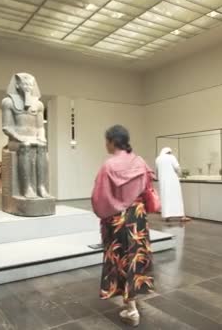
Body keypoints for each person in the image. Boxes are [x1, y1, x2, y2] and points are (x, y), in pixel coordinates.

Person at [91, 125, 155, 327]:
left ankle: (131, 308)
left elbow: (99, 198)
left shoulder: (108, 166)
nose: (106, 145)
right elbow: (147, 188)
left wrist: (108, 209)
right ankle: (133, 302)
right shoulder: (139, 161)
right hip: (137, 217)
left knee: (119, 259)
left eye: (106, 141)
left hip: (117, 219)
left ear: (111, 142)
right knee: (135, 256)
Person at [155, 147, 189, 222]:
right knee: (177, 198)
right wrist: (181, 175)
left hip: (163, 183)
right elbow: (177, 168)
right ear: (169, 152)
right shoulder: (171, 157)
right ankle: (182, 216)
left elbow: (156, 171)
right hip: (173, 182)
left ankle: (167, 216)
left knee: (165, 199)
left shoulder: (158, 159)